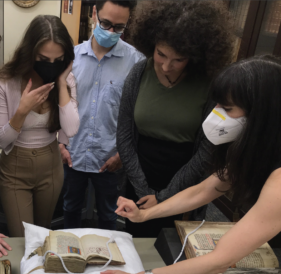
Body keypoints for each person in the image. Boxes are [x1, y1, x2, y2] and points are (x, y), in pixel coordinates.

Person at [85, 55, 281, 274]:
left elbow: (220, 260)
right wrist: (145, 214)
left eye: (227, 109)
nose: (216, 115)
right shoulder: (257, 151)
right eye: (217, 105)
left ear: (261, 115)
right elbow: (204, 190)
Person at [116, 0, 234, 237]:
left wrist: (164, 197)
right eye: (161, 54)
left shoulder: (209, 84)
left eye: (178, 59)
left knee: (174, 247)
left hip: (185, 182)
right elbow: (125, 135)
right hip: (139, 173)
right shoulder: (139, 73)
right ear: (151, 44)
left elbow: (207, 149)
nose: (167, 66)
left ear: (195, 55)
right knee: (135, 243)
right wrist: (141, 189)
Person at [59, 0, 144, 230]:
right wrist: (60, 144)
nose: (110, 31)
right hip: (73, 154)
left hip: (111, 158)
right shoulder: (71, 58)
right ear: (95, 13)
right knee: (70, 207)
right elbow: (59, 104)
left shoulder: (137, 63)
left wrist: (123, 154)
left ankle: (106, 261)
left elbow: (139, 116)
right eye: (105, 23)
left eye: (118, 27)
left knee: (109, 213)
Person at [0, 15, 79, 237]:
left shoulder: (66, 79)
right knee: (23, 238)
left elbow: (71, 129)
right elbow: (1, 140)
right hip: (15, 166)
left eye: (59, 59)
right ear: (30, 53)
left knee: (44, 235)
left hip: (51, 166)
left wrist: (62, 84)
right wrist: (22, 111)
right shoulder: (7, 81)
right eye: (44, 59)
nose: (51, 66)